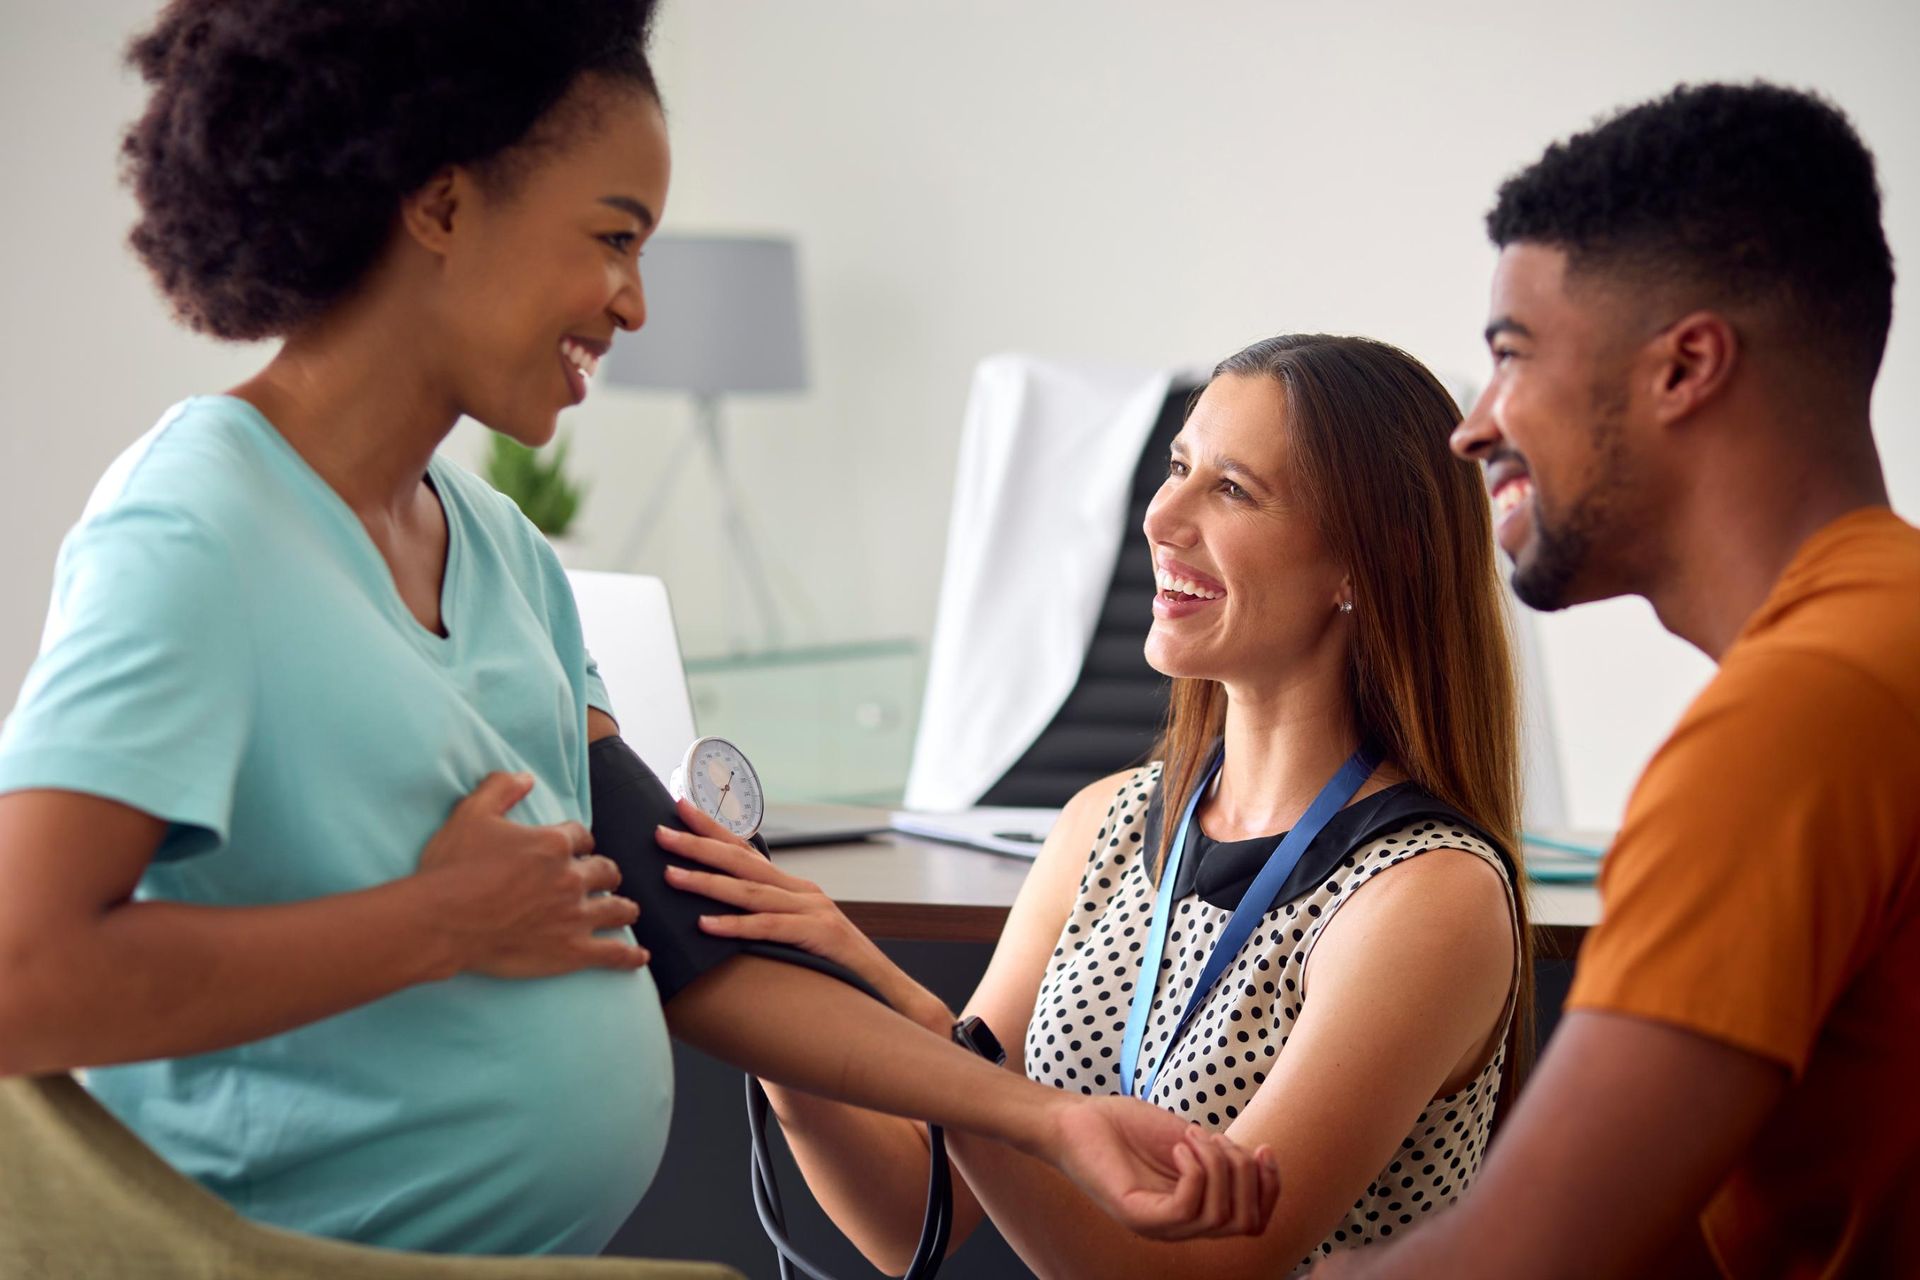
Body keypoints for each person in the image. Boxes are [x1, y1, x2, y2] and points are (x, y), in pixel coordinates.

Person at [0, 0, 1278, 1258]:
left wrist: (1052, 1120)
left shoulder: (504, 559)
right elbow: (23, 974)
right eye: (614, 238)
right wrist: (431, 923)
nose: (634, 304)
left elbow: (684, 935)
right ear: (441, 206)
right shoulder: (199, 527)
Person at [661, 332, 1535, 1275]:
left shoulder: (1426, 895)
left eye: (1231, 488)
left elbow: (1199, 1272)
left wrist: (914, 1023)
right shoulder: (1108, 822)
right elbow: (911, 1211)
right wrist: (785, 1015)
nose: (1161, 515)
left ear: (1367, 561)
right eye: (1177, 468)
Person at [1319, 83, 1920, 1278]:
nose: (1472, 427)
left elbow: (1524, 1259)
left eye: (1511, 355)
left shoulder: (1791, 720)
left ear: (1686, 366)